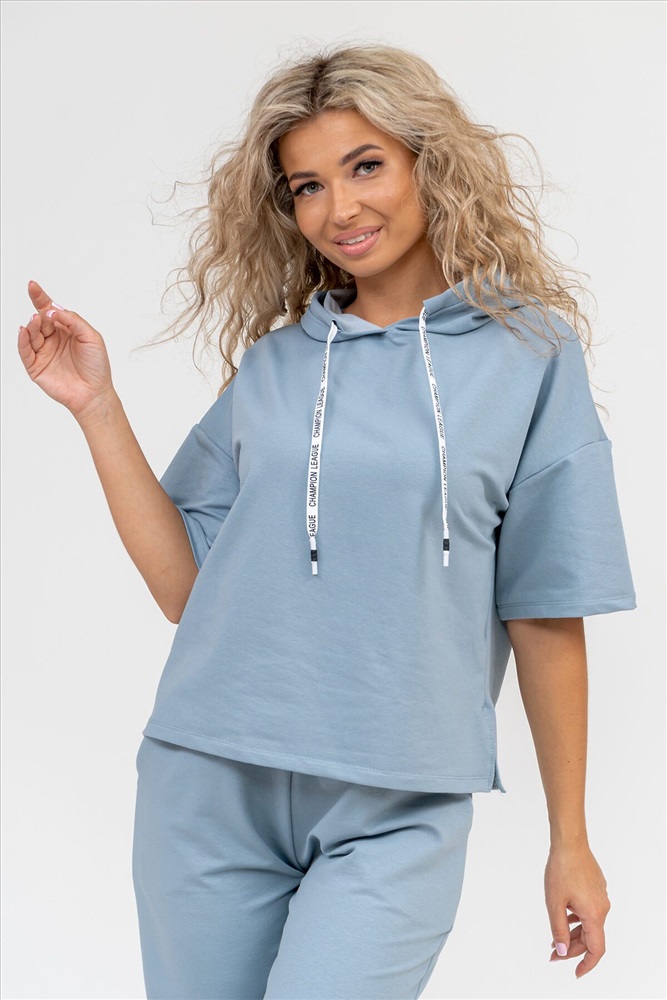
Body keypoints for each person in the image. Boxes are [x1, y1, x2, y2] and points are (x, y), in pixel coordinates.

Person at [18, 41, 637, 1000]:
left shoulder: (528, 355)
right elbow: (185, 589)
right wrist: (97, 408)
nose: (338, 209)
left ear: (429, 162)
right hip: (208, 780)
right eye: (307, 186)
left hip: (400, 801)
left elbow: (547, 607)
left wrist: (570, 840)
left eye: (365, 166)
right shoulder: (275, 367)